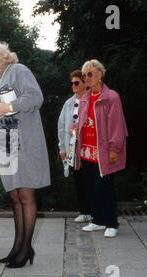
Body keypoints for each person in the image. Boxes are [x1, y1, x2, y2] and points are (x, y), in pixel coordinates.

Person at [0, 40, 50, 268]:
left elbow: (36, 98)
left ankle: (25, 250)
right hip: (8, 146)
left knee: (26, 197)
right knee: (15, 198)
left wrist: (9, 106)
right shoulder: (2, 80)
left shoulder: (18, 70)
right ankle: (18, 247)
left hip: (24, 143)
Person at [75, 59, 128, 238]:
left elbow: (117, 125)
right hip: (86, 150)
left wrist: (115, 149)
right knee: (91, 187)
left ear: (100, 75)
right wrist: (76, 128)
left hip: (104, 150)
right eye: (84, 75)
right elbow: (83, 121)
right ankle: (97, 220)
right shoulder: (85, 98)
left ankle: (112, 222)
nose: (86, 78)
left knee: (104, 187)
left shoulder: (111, 97)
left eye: (90, 74)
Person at [57, 70, 91, 223]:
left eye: (76, 82)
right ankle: (84, 211)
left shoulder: (92, 100)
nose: (73, 86)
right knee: (78, 180)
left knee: (92, 179)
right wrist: (62, 149)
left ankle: (96, 212)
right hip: (72, 148)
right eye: (72, 83)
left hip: (89, 147)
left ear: (85, 83)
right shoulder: (68, 103)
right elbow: (61, 126)